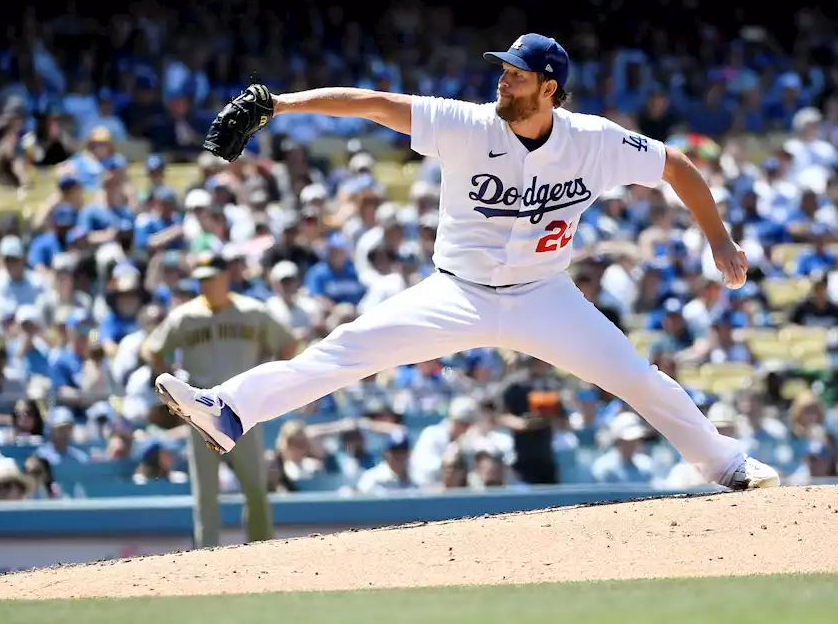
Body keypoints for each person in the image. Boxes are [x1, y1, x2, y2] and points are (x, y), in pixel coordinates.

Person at [155, 35, 778, 491]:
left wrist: (718, 240)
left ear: (549, 88)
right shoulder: (465, 123)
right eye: (502, 71)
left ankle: (725, 464)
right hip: (457, 293)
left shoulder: (593, 140)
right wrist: (280, 106)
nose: (502, 81)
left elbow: (676, 165)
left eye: (516, 75)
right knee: (345, 350)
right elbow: (373, 104)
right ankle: (230, 409)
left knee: (636, 377)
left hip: (544, 295)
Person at [142, 250, 297, 548]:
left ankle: (262, 549)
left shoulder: (253, 311)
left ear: (226, 277)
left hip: (244, 407)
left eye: (210, 278)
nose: (205, 285)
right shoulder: (184, 316)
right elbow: (152, 349)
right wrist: (168, 380)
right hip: (198, 409)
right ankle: (206, 556)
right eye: (200, 280)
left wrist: (270, 379)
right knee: (205, 494)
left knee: (255, 487)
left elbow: (287, 343)